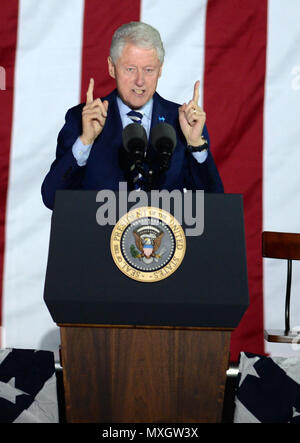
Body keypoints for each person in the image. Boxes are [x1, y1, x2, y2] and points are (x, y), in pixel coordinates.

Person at [41, 22, 223, 210]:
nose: (140, 80)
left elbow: (215, 207)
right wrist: (86, 141)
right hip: (99, 238)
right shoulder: (81, 119)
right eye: (130, 69)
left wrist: (196, 146)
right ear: (112, 68)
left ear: (160, 70)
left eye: (148, 70)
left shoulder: (181, 122)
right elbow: (52, 198)